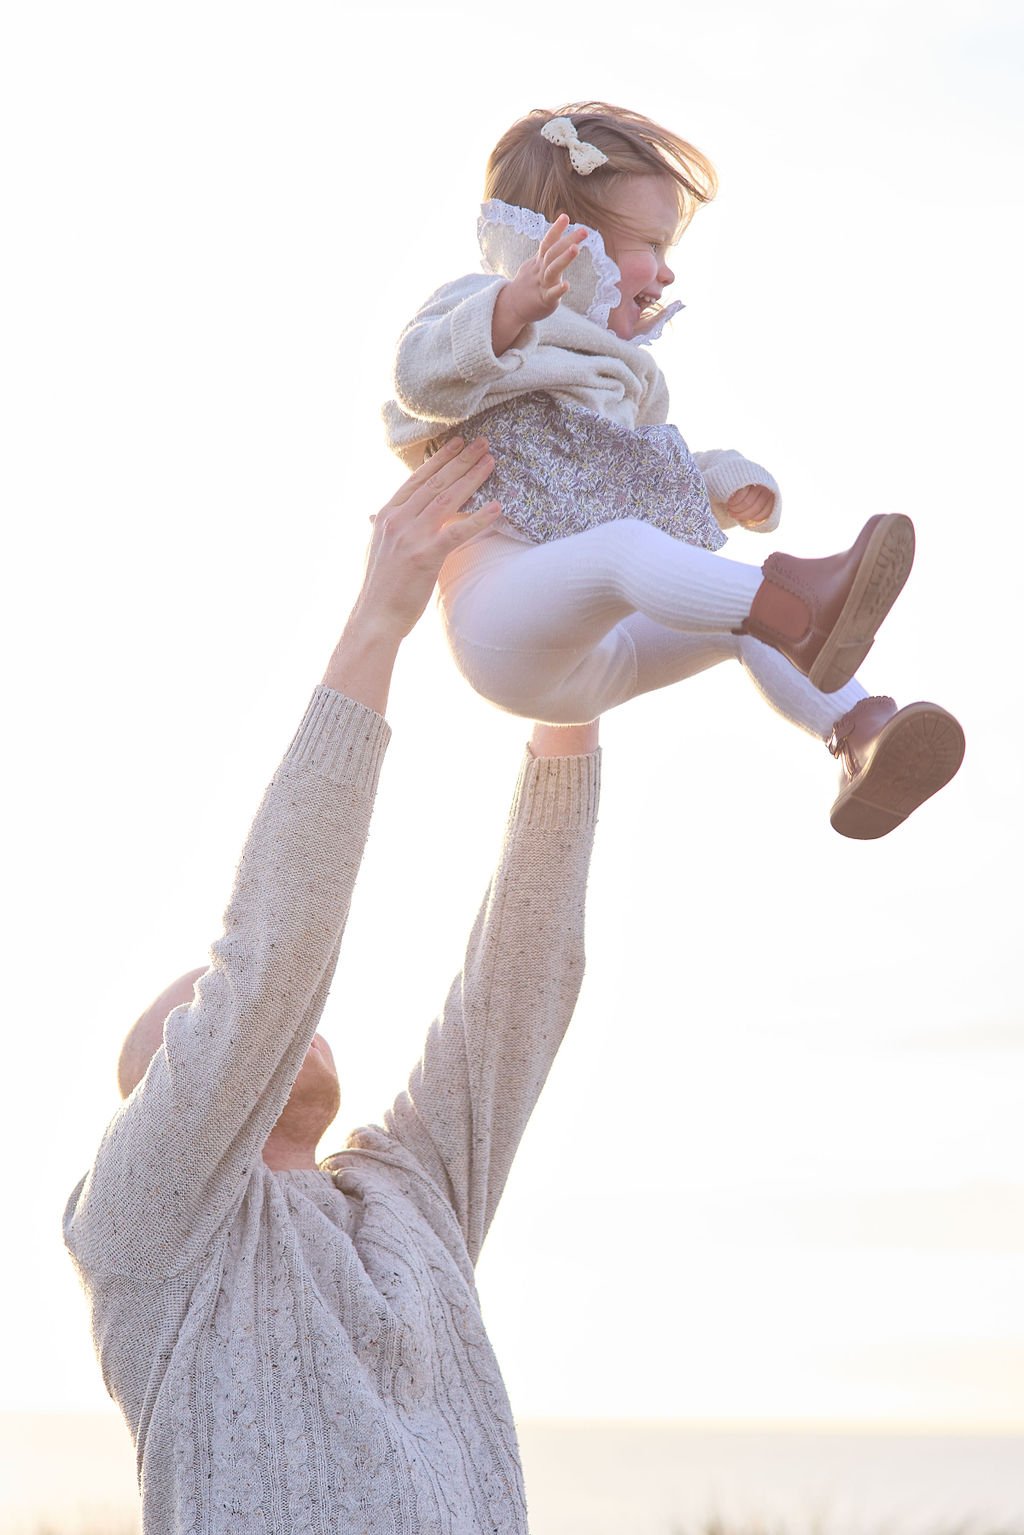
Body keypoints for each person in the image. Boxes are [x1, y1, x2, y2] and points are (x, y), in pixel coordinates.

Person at [64, 436, 602, 1535]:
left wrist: (568, 696)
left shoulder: (411, 1195)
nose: (277, 1025)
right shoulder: (143, 1223)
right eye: (200, 1017)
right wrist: (378, 623)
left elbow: (520, 985)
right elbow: (273, 956)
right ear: (165, 1098)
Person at [383, 101, 964, 839]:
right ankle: (802, 611)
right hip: (504, 617)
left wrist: (722, 482)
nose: (667, 270)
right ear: (573, 239)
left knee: (733, 619)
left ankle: (859, 733)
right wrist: (508, 309)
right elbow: (416, 379)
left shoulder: (630, 377)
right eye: (651, 244)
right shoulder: (482, 307)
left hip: (603, 648)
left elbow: (636, 477)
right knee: (642, 554)